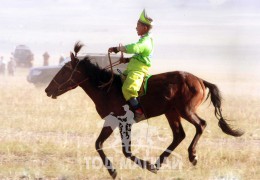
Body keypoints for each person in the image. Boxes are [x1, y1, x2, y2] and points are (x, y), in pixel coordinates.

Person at [108, 9, 154, 122]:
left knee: (128, 89)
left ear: (145, 28)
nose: (136, 27)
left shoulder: (145, 42)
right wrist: (127, 60)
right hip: (132, 69)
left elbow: (135, 48)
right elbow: (139, 56)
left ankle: (139, 112)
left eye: (138, 25)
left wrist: (117, 49)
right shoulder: (144, 40)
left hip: (138, 71)